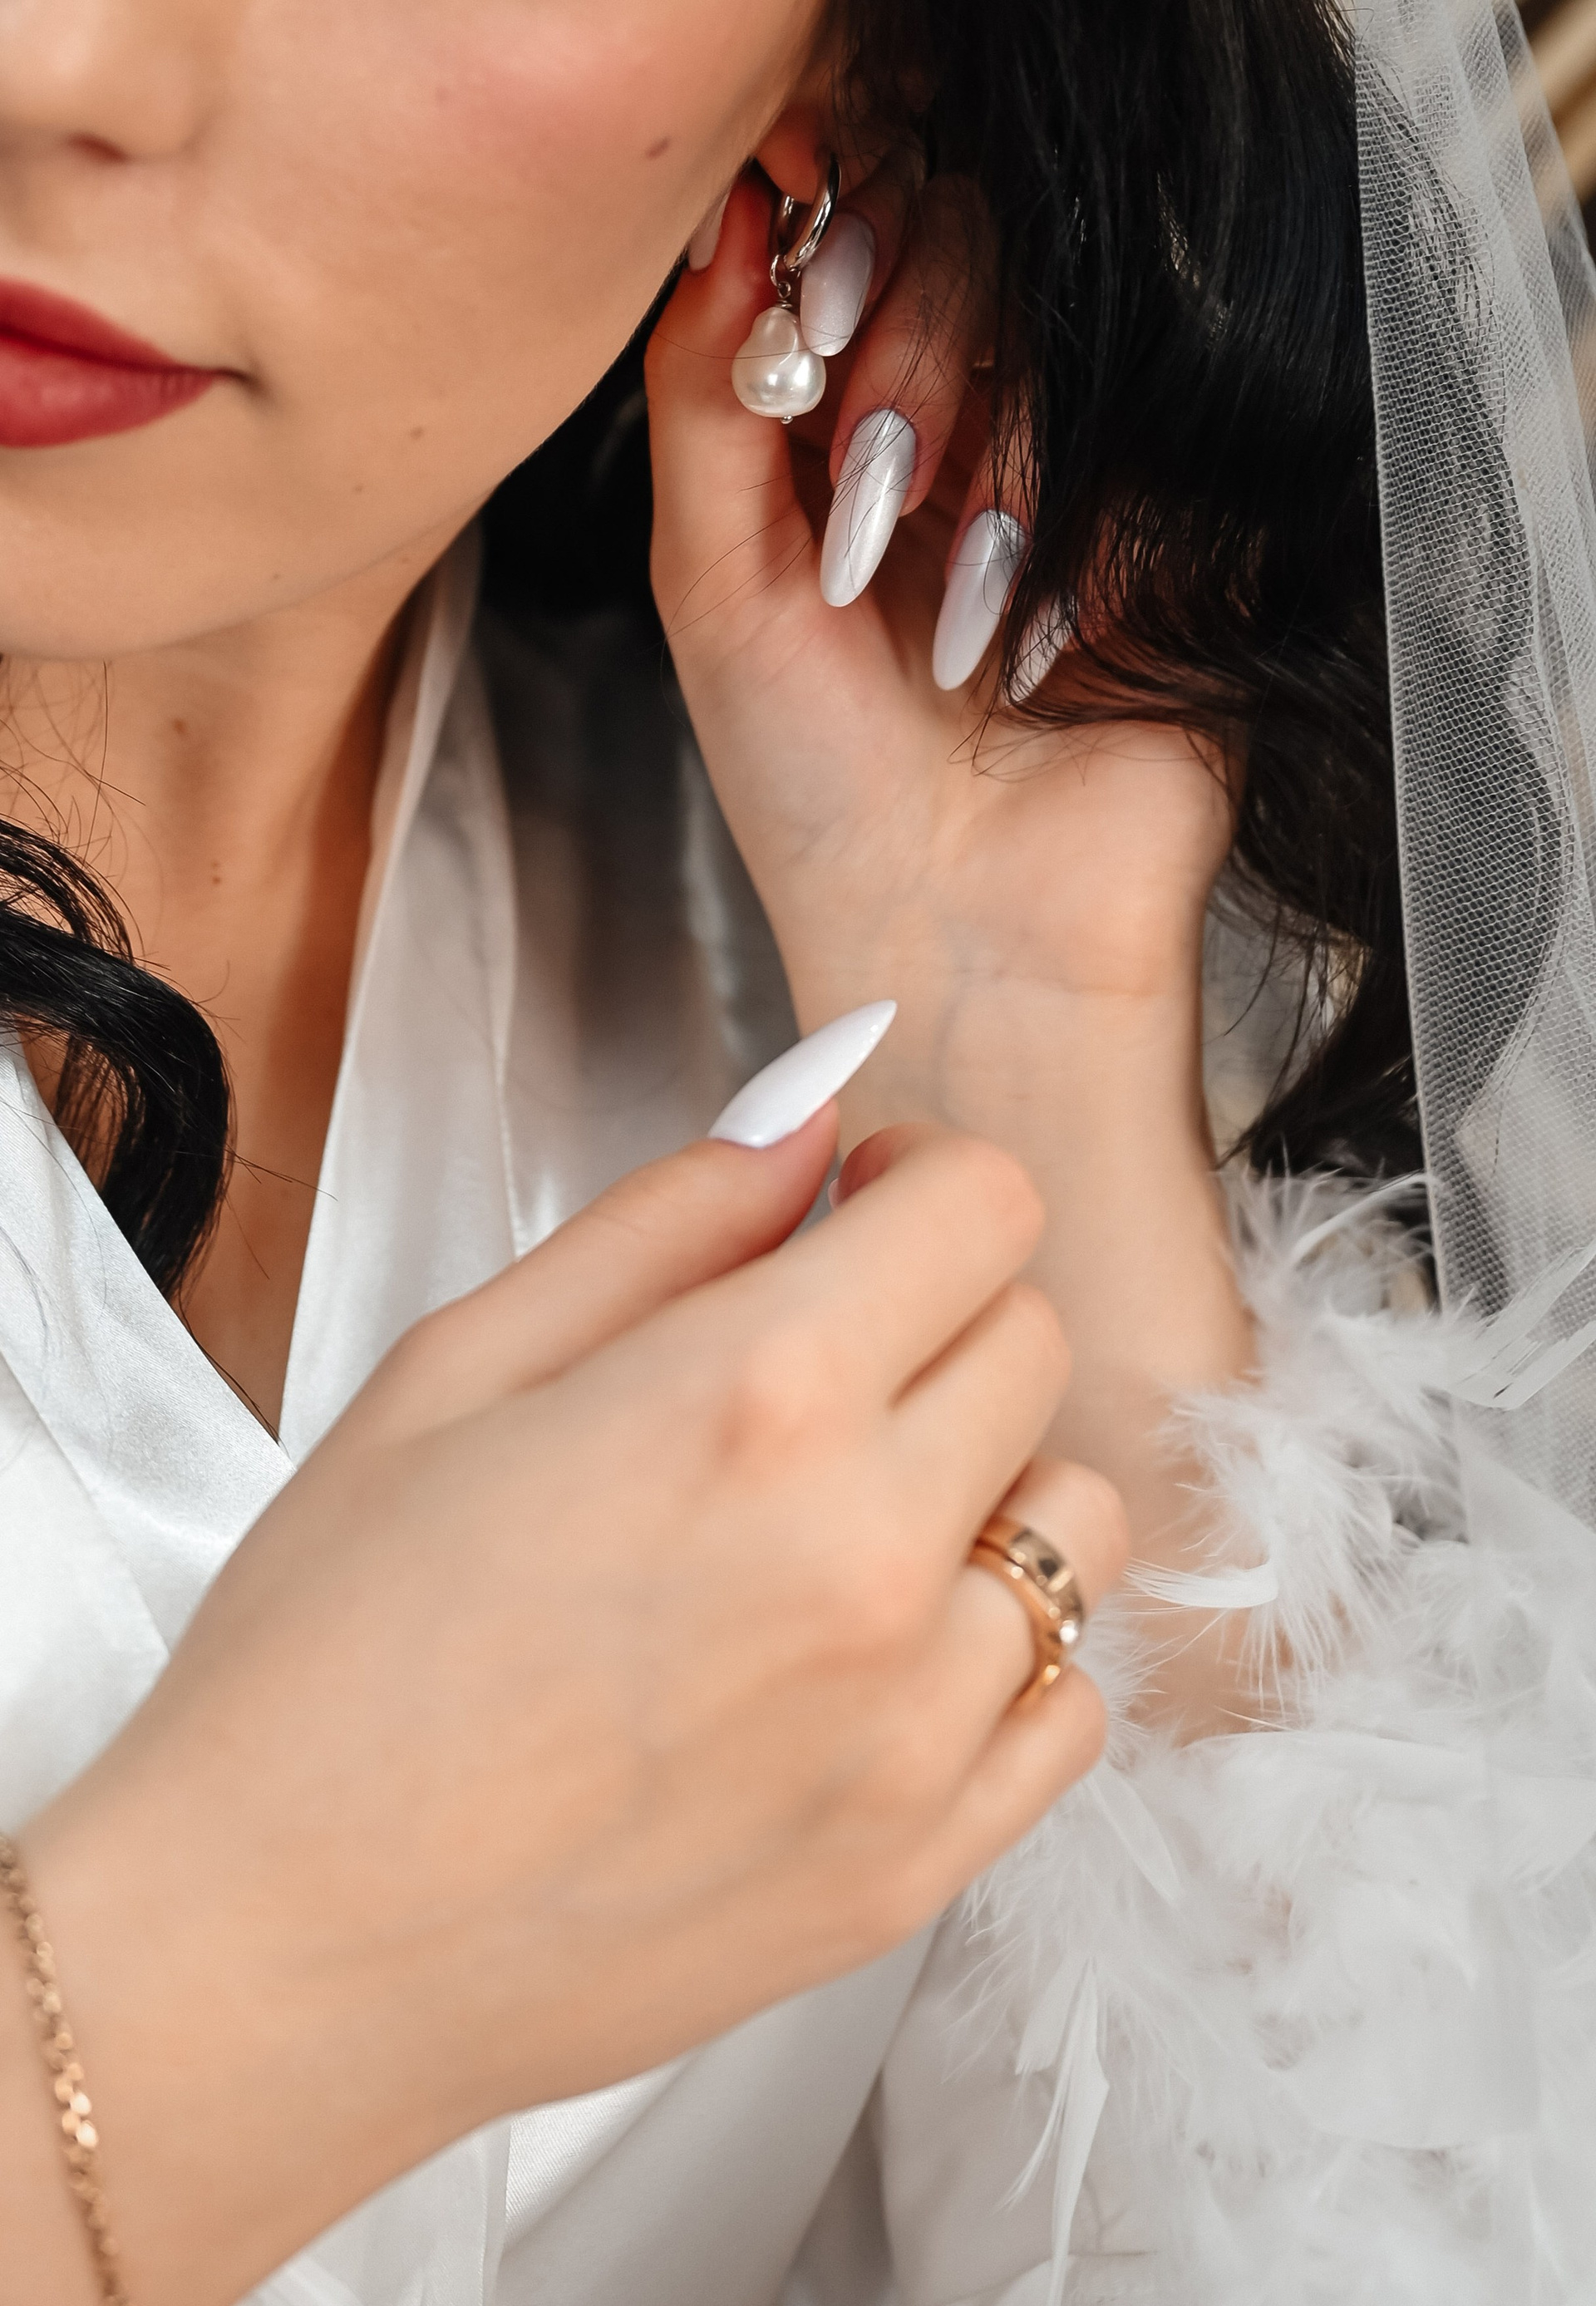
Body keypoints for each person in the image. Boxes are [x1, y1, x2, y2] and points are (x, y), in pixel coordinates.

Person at [2, 0, 1594, 2301]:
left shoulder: (774, 933)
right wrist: (238, 1994)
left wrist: (1027, 1074)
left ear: (851, 55)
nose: (53, 64)